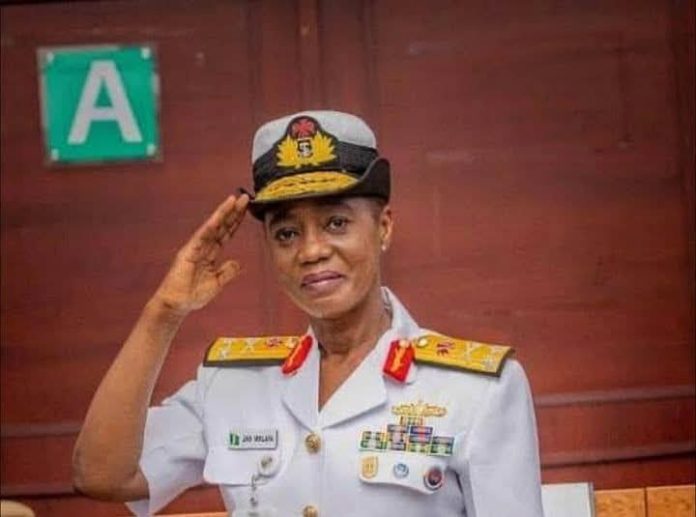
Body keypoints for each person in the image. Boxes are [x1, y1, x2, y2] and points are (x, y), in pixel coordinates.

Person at [73, 110, 544, 517]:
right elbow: (102, 475)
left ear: (383, 227)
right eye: (287, 234)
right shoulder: (234, 384)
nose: (311, 250)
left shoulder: (476, 390)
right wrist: (164, 312)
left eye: (336, 223)